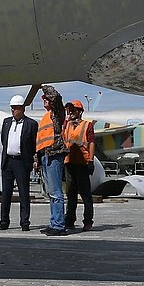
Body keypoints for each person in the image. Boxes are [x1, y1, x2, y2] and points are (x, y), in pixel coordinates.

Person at [0, 94, 38, 231]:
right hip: (8, 162)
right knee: (6, 193)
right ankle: (4, 221)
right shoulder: (6, 122)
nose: (13, 111)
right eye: (12, 108)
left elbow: (34, 144)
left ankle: (25, 222)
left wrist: (33, 160)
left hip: (22, 162)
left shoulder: (31, 124)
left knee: (23, 193)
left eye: (16, 108)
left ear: (22, 109)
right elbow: (3, 140)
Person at [35, 85, 68, 235]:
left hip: (54, 154)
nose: (45, 101)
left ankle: (59, 225)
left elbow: (57, 98)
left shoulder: (57, 113)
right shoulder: (45, 117)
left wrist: (43, 87)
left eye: (46, 99)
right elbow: (41, 140)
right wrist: (37, 159)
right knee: (51, 192)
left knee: (56, 192)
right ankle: (54, 222)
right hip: (46, 155)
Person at [63, 99, 96, 232]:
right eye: (70, 110)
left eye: (73, 110)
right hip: (69, 163)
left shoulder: (87, 125)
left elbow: (91, 142)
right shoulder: (67, 125)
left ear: (80, 112)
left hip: (82, 163)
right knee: (71, 194)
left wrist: (91, 161)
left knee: (86, 195)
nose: (71, 112)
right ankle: (69, 220)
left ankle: (88, 221)